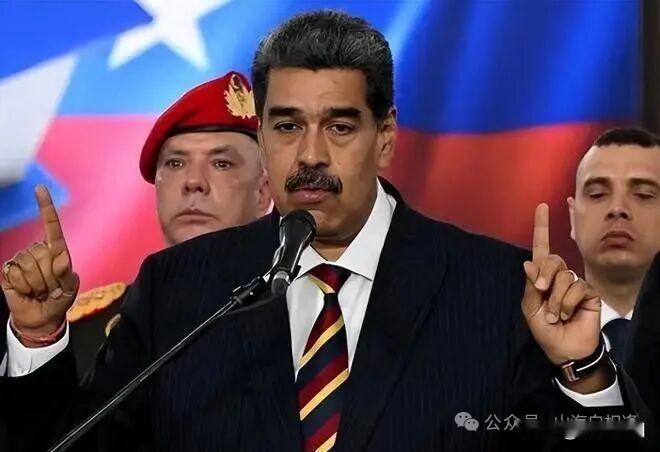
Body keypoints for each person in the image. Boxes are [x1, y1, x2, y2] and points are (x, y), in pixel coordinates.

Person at [0, 11, 651, 451]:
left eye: (339, 127)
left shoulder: (495, 289)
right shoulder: (180, 289)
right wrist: (37, 338)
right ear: (263, 136)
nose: (310, 155)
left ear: (385, 137)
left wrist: (587, 372)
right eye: (287, 127)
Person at [0, 71, 271, 378]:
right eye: (176, 163)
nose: (193, 181)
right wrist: (38, 338)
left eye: (221, 163)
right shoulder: (88, 331)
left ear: (263, 192)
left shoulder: (302, 319)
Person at [567, 127, 660, 364]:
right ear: (572, 218)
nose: (618, 208)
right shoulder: (525, 348)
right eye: (597, 194)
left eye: (643, 194)